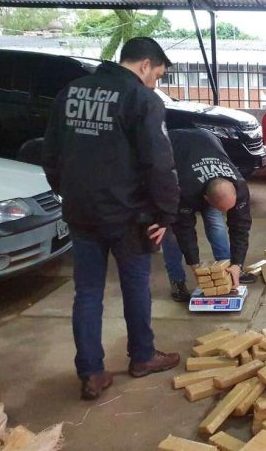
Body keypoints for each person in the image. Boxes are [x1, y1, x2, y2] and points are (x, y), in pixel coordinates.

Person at [42, 37, 181, 401]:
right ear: (145, 65)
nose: (155, 83)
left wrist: (68, 191)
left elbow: (51, 151)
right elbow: (159, 163)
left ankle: (91, 373)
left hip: (81, 212)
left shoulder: (71, 92)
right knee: (136, 286)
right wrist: (164, 213)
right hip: (127, 215)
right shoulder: (140, 99)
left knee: (87, 293)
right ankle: (143, 357)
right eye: (158, 76)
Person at [162, 127, 254, 301]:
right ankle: (177, 281)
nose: (227, 213)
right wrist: (195, 266)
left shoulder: (240, 186)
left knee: (215, 221)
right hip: (174, 151)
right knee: (171, 232)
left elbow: (240, 228)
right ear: (205, 198)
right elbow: (184, 229)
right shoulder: (185, 190)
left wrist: (237, 263)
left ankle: (227, 271)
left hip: (206, 139)